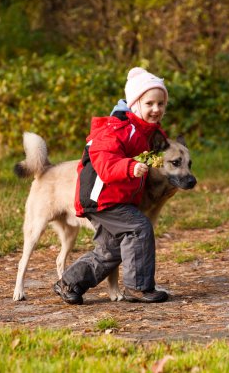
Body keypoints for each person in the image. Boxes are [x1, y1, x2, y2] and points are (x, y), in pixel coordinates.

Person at [54, 67, 170, 305]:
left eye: (161, 103)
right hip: (101, 196)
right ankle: (139, 287)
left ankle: (69, 283)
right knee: (138, 228)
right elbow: (105, 164)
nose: (156, 109)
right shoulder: (117, 128)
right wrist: (129, 167)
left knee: (110, 250)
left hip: (117, 196)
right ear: (135, 104)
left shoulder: (151, 132)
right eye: (150, 103)